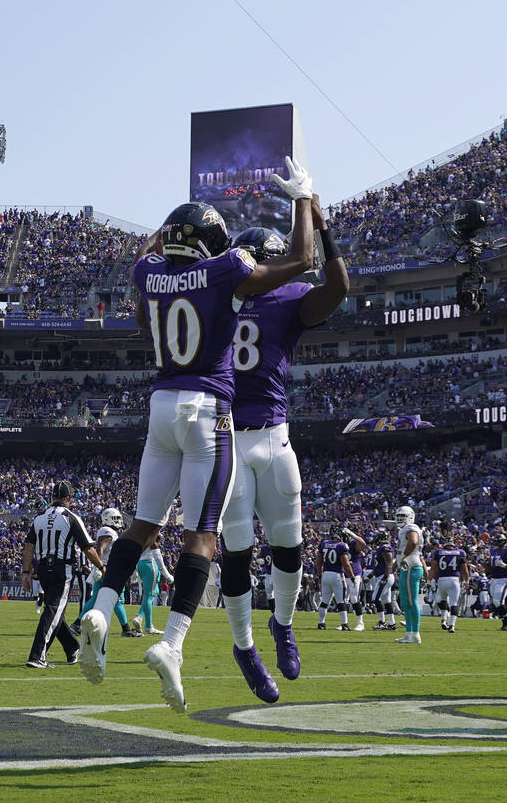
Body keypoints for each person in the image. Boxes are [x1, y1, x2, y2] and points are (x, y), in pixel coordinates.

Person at [77, 157, 316, 713]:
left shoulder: (147, 274)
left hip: (159, 404)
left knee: (142, 524)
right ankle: (173, 643)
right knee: (201, 535)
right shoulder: (226, 268)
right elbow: (303, 259)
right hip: (209, 408)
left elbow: (147, 254)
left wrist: (169, 229)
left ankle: (102, 607)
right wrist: (303, 197)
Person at [218, 196, 350, 695]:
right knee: (237, 550)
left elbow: (337, 288)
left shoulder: (288, 295)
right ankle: (244, 646)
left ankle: (283, 624)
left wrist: (324, 225)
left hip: (273, 436)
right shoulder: (218, 296)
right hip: (226, 437)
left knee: (289, 545)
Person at [22, 480, 104, 669]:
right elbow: (88, 548)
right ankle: (37, 656)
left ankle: (71, 647)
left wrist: (26, 572)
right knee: (53, 610)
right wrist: (102, 567)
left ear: (52, 497)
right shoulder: (71, 517)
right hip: (62, 569)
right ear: (69, 498)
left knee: (54, 610)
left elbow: (28, 547)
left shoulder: (39, 517)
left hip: (42, 568)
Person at [73, 508, 136, 638]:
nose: (118, 521)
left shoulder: (107, 531)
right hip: (108, 569)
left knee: (95, 598)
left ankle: (77, 624)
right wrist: (99, 566)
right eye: (116, 518)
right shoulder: (108, 531)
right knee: (117, 600)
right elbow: (101, 548)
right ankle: (126, 629)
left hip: (104, 568)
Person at [428, 526, 468, 633]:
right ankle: (452, 626)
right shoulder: (460, 553)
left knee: (442, 600)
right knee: (454, 603)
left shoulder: (438, 553)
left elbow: (433, 569)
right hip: (454, 580)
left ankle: (443, 620)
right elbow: (465, 570)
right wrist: (466, 581)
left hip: (442, 580)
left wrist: (430, 580)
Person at [394, 506, 424, 644]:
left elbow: (413, 541)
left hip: (411, 565)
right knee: (406, 602)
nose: (400, 519)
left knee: (411, 601)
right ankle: (409, 633)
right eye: (398, 516)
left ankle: (415, 634)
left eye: (402, 516)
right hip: (407, 566)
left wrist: (404, 557)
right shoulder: (404, 529)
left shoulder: (411, 528)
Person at [316, 530, 355, 632]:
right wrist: (352, 576)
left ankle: (321, 623)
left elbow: (318, 562)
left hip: (325, 574)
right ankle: (344, 624)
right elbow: (346, 564)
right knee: (341, 601)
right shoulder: (341, 546)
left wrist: (320, 575)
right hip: (337, 575)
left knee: (324, 601)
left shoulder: (324, 544)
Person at [134, 541, 172, 635]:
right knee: (149, 595)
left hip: (141, 563)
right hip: (149, 563)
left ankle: (140, 616)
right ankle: (148, 626)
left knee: (153, 593)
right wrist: (166, 574)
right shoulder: (152, 536)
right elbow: (157, 555)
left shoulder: (141, 534)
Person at [487, 533, 507, 631]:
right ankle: (505, 618)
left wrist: (503, 565)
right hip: (493, 579)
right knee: (494, 603)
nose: (494, 543)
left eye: (496, 541)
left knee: (498, 602)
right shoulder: (493, 551)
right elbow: (489, 569)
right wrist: (484, 562)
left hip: (503, 579)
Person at [370, 532, 398, 630]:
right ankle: (392, 624)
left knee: (376, 598)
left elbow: (389, 563)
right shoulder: (381, 548)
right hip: (383, 575)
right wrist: (369, 576)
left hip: (385, 576)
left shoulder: (385, 547)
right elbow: (378, 566)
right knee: (387, 601)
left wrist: (385, 577)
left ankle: (382, 622)